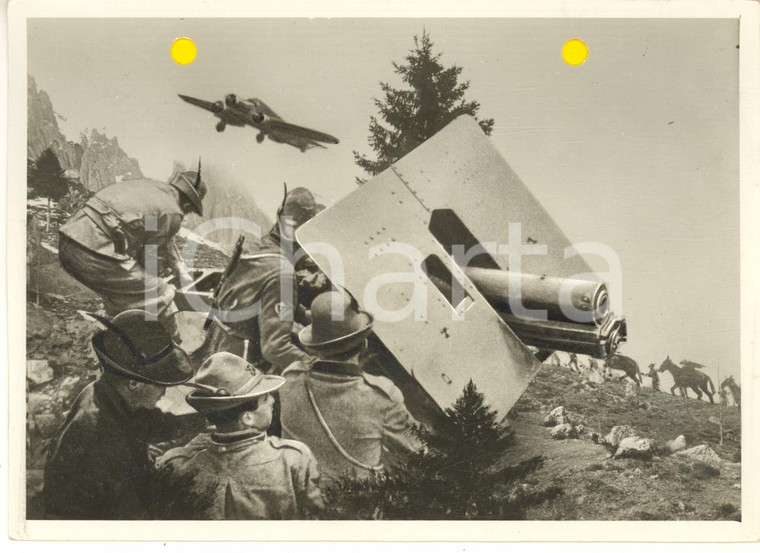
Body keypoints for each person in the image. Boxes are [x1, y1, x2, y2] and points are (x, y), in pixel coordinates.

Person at [43, 309, 199, 520]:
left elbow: (146, 422)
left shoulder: (106, 391)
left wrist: (203, 418)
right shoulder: (102, 439)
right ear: (133, 383)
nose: (164, 392)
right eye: (159, 384)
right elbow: (133, 517)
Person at [279, 291, 421, 486]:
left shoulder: (290, 378)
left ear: (315, 346)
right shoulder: (381, 397)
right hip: (353, 507)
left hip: (297, 497)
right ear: (363, 344)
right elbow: (418, 452)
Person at [159, 352, 323, 519]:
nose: (272, 401)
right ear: (248, 418)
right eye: (265, 397)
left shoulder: (179, 465)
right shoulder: (291, 459)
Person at [58, 162, 207, 341]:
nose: (188, 213)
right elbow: (151, 257)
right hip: (94, 252)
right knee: (159, 293)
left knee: (122, 296)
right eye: (191, 209)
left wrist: (176, 267)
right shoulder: (173, 212)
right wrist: (157, 280)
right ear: (189, 202)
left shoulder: (154, 191)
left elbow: (153, 232)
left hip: (70, 243)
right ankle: (173, 350)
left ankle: (121, 342)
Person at [193, 186, 319, 373]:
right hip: (239, 361)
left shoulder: (255, 246)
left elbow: (260, 293)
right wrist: (317, 366)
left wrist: (303, 315)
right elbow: (276, 348)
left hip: (216, 341)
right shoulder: (282, 271)